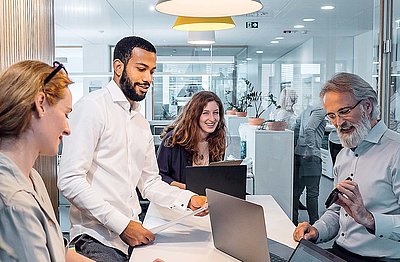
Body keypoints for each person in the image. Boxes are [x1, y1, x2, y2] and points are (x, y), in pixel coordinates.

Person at [58, 36, 207, 262]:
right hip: (95, 239)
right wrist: (123, 225)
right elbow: (70, 180)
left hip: (132, 236)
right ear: (118, 67)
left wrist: (188, 200)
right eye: (141, 69)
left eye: (152, 71)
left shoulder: (140, 122)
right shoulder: (92, 107)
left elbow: (149, 183)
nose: (148, 78)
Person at [293, 72, 400, 261]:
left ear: (367, 106)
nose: (338, 123)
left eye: (344, 111)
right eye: (332, 116)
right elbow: (337, 212)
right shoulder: (344, 154)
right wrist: (316, 230)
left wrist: (369, 219)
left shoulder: (396, 151)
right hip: (339, 253)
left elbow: (362, 216)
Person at [0, 60, 92, 261]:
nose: (68, 129)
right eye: (65, 114)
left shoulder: (32, 177)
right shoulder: (15, 202)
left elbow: (59, 252)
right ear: (40, 104)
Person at [157, 91, 226, 189]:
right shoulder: (173, 139)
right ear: (194, 114)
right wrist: (189, 189)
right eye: (205, 113)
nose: (212, 118)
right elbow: (159, 177)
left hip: (204, 199)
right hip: (177, 199)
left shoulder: (217, 141)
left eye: (216, 113)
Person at [292, 105, 326, 226]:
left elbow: (296, 127)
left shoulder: (306, 110)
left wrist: (295, 148)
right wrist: (311, 151)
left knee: (296, 192)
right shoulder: (321, 110)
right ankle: (315, 225)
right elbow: (309, 129)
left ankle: (293, 222)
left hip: (298, 154)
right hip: (311, 157)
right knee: (312, 193)